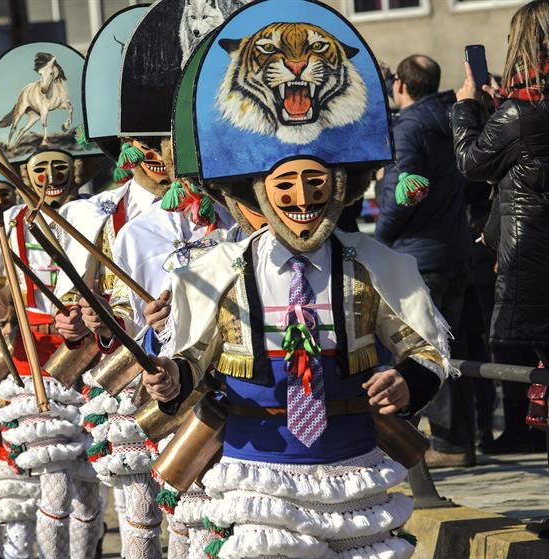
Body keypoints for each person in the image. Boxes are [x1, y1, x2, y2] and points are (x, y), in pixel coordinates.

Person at [142, 2, 449, 557]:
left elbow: (426, 352)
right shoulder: (214, 271)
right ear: (260, 193)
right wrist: (170, 377)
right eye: (287, 186)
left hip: (353, 468)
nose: (303, 200)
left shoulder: (377, 264)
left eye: (316, 183)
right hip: (259, 473)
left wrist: (408, 380)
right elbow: (190, 359)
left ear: (339, 188)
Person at [453, 0, 549, 454]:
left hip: (535, 262)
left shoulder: (520, 113)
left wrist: (466, 108)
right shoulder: (523, 110)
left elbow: (472, 161)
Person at [376, 54, 475, 467]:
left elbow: (403, 191)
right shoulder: (453, 116)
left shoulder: (409, 127)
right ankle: (459, 439)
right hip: (454, 247)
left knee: (427, 351)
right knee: (452, 349)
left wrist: (378, 242)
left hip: (418, 254)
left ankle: (449, 445)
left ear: (401, 85)